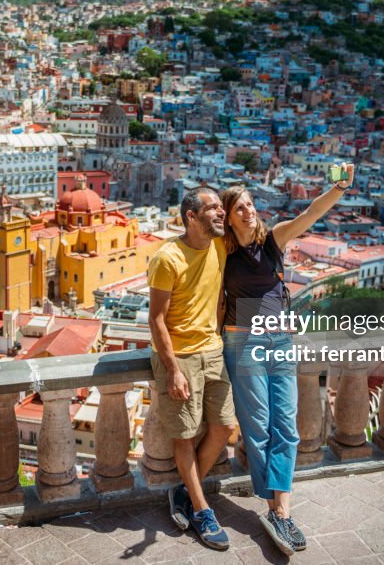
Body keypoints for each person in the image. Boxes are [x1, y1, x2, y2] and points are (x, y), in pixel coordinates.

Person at [219, 162, 355, 555]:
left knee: (287, 427)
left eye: (249, 204)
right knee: (258, 426)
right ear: (228, 217)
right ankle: (277, 509)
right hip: (242, 343)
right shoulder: (222, 253)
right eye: (239, 207)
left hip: (280, 341)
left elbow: (310, 214)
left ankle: (282, 511)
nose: (249, 211)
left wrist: (339, 190)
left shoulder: (274, 240)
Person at [147, 186, 237, 551]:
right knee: (183, 436)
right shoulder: (167, 258)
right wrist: (173, 369)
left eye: (221, 207)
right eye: (213, 208)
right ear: (191, 216)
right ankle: (202, 510)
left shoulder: (218, 246)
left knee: (225, 425)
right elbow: (156, 319)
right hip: (179, 356)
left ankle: (184, 491)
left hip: (213, 351)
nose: (220, 213)